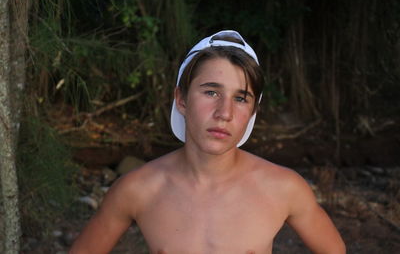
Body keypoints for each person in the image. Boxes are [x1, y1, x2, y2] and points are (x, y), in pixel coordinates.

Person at [69, 30, 346, 254]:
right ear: (181, 99)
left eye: (240, 98)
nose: (224, 113)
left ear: (252, 112)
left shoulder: (284, 188)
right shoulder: (138, 189)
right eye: (211, 92)